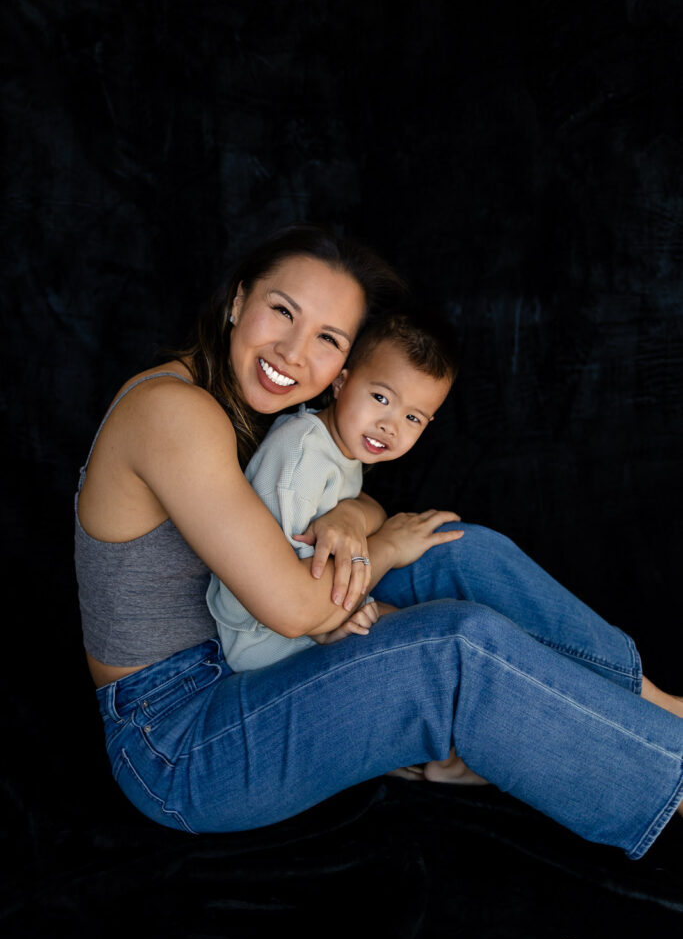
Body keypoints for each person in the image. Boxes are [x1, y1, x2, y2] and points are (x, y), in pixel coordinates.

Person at [75, 223, 683, 855]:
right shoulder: (175, 411)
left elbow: (345, 501)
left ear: (344, 366)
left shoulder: (248, 395)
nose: (293, 352)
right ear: (238, 299)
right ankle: (671, 775)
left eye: (328, 338)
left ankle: (658, 707)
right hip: (177, 740)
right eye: (282, 310)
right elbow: (295, 609)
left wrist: (352, 517)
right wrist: (382, 543)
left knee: (451, 546)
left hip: (246, 657)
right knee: (453, 646)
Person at [206, 310, 457, 671]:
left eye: (412, 418)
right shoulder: (300, 459)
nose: (390, 426)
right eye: (381, 398)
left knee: (437, 623)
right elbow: (277, 594)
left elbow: (359, 506)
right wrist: (326, 628)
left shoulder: (340, 446)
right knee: (439, 641)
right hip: (264, 642)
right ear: (341, 383)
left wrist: (354, 515)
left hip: (316, 610)